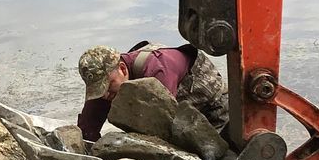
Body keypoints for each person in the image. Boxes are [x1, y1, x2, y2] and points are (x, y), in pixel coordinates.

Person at [75, 40, 229, 143]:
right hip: (174, 109)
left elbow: (164, 131)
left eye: (108, 87)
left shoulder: (158, 72)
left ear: (122, 69)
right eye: (99, 90)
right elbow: (87, 131)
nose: (106, 95)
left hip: (215, 110)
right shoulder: (107, 80)